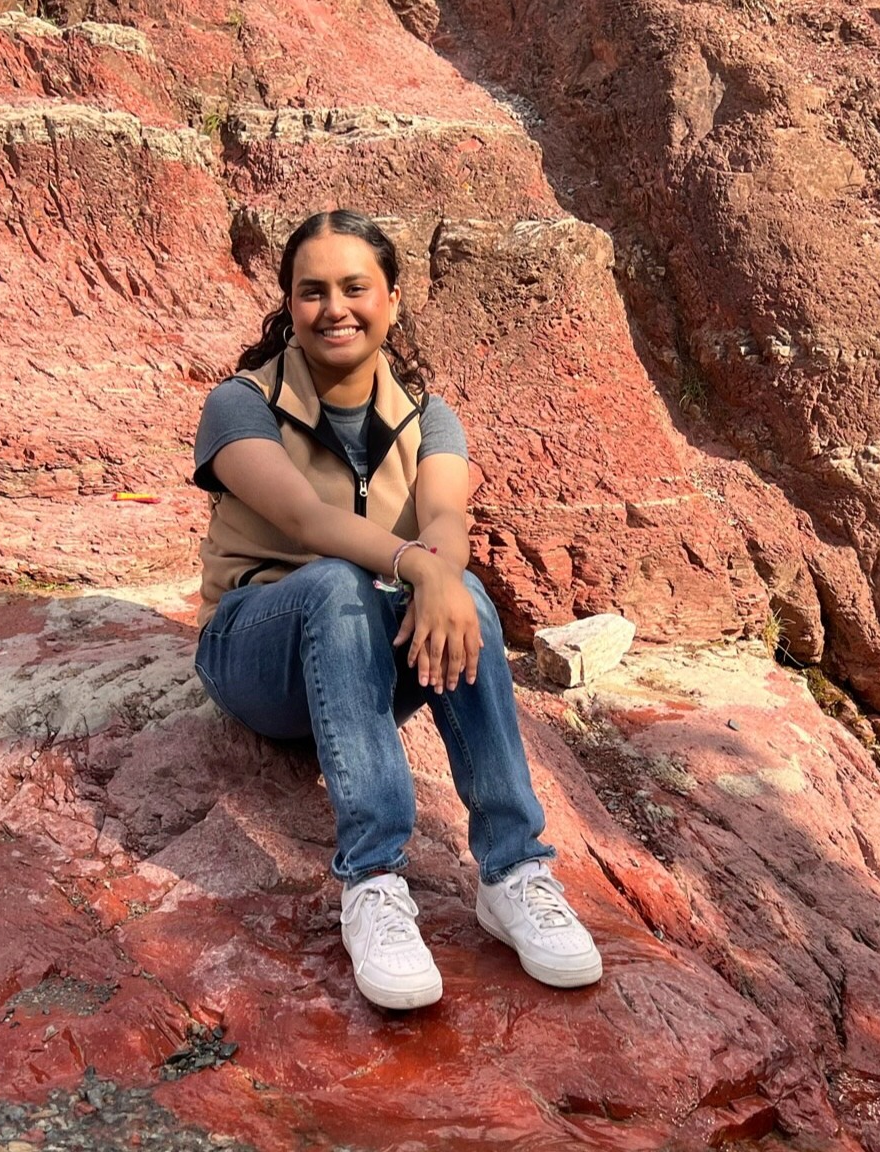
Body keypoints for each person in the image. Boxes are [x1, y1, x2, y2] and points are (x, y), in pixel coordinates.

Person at [190, 209, 601, 1010]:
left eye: (355, 288)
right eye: (312, 291)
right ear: (288, 303)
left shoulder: (428, 414)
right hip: (258, 651)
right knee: (341, 583)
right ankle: (373, 883)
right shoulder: (240, 404)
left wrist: (443, 573)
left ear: (393, 300)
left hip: (369, 660)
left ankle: (514, 870)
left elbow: (447, 518)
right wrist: (420, 565)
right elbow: (307, 524)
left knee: (466, 592)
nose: (334, 308)